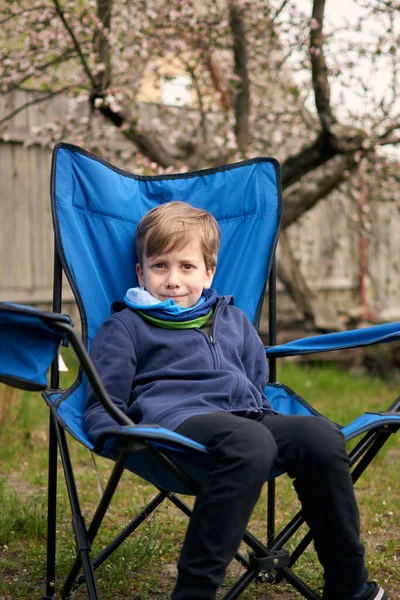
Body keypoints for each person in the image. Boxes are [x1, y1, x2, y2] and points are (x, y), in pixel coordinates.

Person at [84, 201, 386, 600]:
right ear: (141, 272)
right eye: (160, 266)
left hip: (247, 415)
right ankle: (194, 593)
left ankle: (349, 586)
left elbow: (255, 379)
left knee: (321, 435)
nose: (173, 280)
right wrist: (113, 432)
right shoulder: (125, 325)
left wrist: (261, 412)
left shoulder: (233, 319)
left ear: (209, 273)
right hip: (177, 423)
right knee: (252, 441)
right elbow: (104, 397)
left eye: (187, 267)